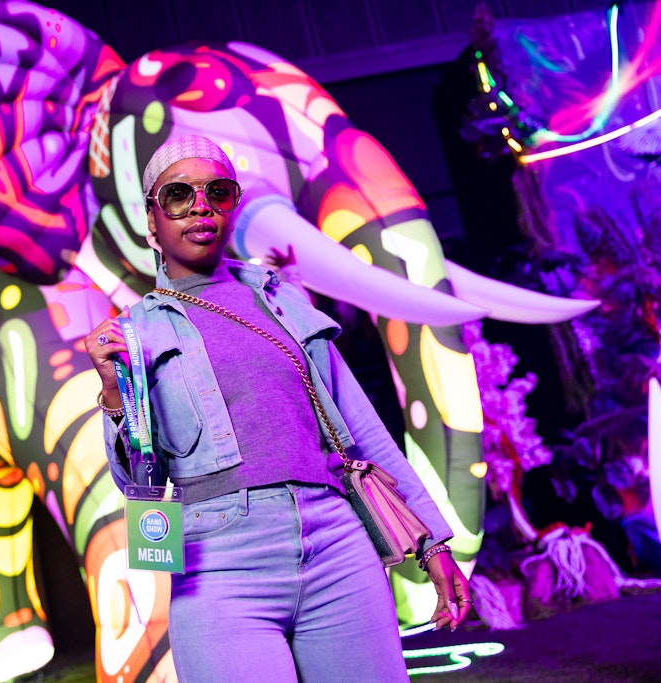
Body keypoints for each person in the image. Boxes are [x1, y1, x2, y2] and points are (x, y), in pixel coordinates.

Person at [83, 134, 471, 681]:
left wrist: (431, 542)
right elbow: (137, 482)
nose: (200, 206)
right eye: (178, 195)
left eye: (217, 192)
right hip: (218, 561)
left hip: (337, 542)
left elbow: (361, 427)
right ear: (152, 219)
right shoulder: (132, 334)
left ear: (232, 206)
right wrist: (114, 392)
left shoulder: (282, 300)